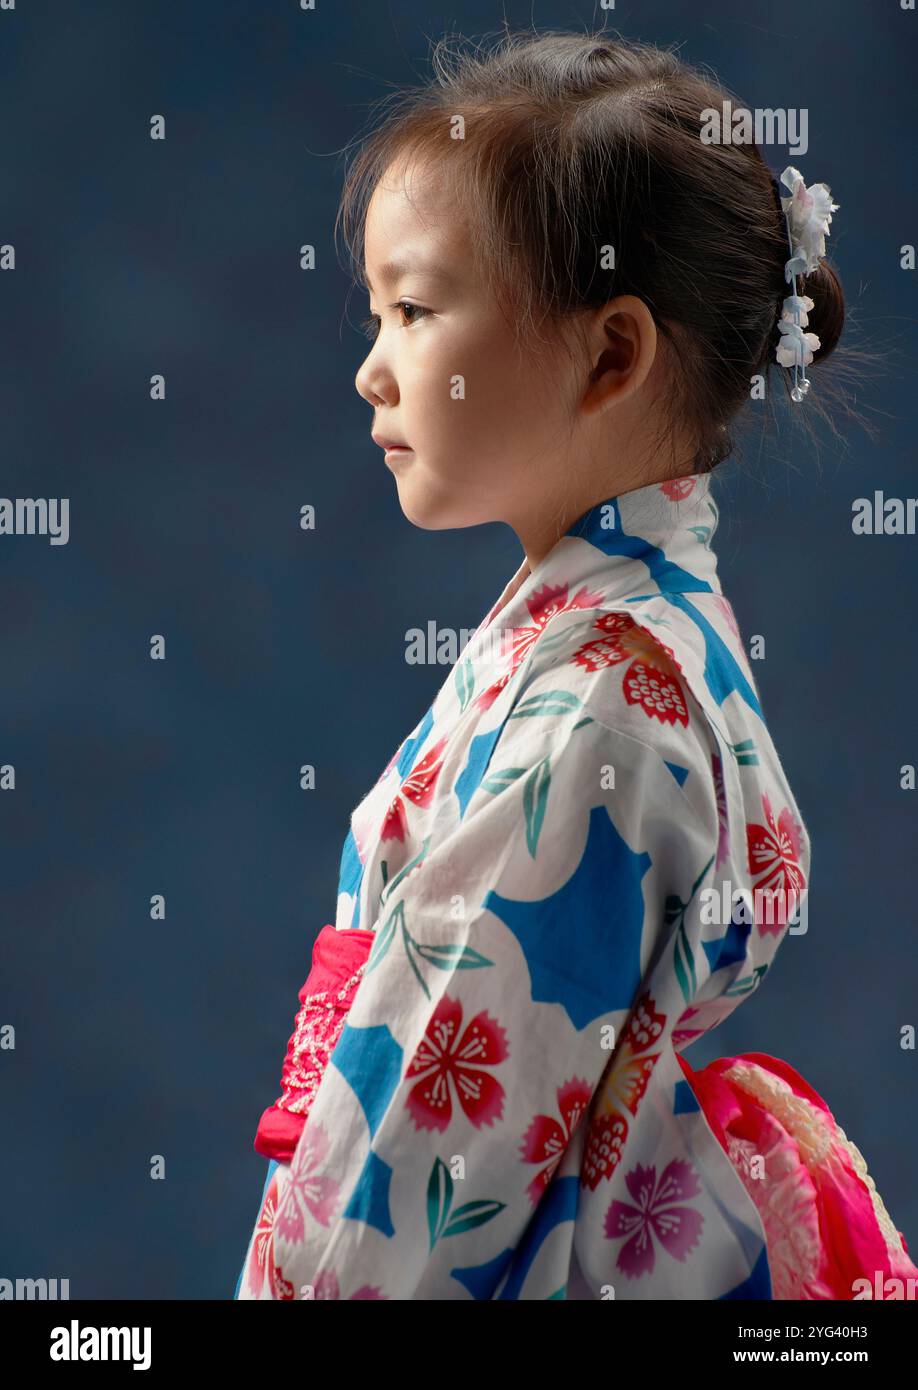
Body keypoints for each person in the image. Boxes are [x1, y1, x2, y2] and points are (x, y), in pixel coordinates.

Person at [234, 31, 916, 1300]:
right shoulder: (625, 641)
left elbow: (429, 1178)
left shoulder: (598, 707)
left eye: (416, 309)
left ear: (611, 353)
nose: (373, 367)